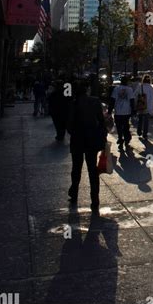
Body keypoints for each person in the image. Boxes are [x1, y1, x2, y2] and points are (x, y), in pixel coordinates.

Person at [66, 80, 107, 213]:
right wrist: (102, 135)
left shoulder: (74, 103)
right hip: (92, 140)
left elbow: (69, 125)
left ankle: (74, 194)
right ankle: (95, 199)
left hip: (77, 140)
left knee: (76, 168)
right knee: (92, 170)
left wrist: (75, 132)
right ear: (87, 89)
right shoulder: (95, 101)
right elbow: (101, 121)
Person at [109, 76, 135, 152]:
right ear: (127, 82)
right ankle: (127, 139)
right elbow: (132, 100)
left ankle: (120, 139)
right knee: (126, 126)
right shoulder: (130, 89)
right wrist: (133, 110)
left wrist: (109, 111)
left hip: (118, 111)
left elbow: (112, 100)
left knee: (119, 127)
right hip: (127, 111)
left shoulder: (116, 89)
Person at [134, 74, 153, 139]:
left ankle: (139, 131)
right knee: (146, 121)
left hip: (141, 106)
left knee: (140, 119)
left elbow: (135, 95)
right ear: (149, 81)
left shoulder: (140, 86)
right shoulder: (151, 88)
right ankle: (145, 134)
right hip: (148, 108)